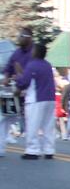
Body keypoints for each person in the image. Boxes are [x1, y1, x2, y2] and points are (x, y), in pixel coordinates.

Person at [14, 43, 57, 159]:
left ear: (36, 52)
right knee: (48, 125)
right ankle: (49, 150)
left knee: (33, 124)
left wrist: (18, 75)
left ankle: (32, 150)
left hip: (36, 99)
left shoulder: (32, 65)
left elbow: (24, 82)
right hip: (50, 98)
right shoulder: (48, 65)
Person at [0, 27, 33, 157]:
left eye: (21, 36)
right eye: (19, 36)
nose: (19, 39)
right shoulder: (16, 53)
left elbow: (35, 69)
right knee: (4, 118)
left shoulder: (34, 52)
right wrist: (8, 76)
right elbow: (8, 67)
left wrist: (20, 75)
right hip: (15, 89)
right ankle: (1, 147)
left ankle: (36, 149)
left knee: (31, 120)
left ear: (28, 37)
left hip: (30, 90)